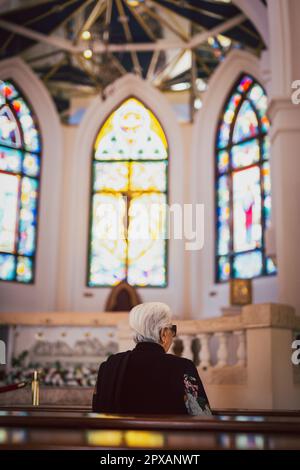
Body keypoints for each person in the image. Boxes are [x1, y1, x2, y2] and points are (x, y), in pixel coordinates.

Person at [92, 302, 211, 416]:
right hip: (169, 436)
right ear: (163, 333)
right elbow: (202, 415)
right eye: (172, 329)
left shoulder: (109, 365)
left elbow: (96, 410)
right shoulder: (183, 367)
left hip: (114, 436)